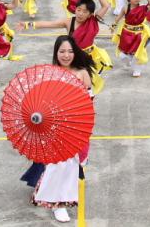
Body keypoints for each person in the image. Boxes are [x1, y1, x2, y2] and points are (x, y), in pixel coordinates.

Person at [21, 35, 94, 224]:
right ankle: (60, 204)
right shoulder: (49, 74)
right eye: (62, 51)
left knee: (72, 166)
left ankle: (55, 196)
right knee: (59, 167)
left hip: (76, 127)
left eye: (70, 51)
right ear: (56, 53)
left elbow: (89, 103)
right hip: (54, 128)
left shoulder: (82, 73)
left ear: (75, 52)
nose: (66, 55)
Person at [18, 0, 111, 94]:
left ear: (90, 14)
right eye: (78, 9)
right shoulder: (69, 22)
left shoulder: (93, 20)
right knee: (71, 86)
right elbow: (49, 24)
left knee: (89, 87)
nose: (80, 13)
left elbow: (105, 5)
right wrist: (27, 24)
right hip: (73, 58)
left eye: (84, 11)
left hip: (89, 57)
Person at [111, 0, 150, 77]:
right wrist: (113, 26)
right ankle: (129, 62)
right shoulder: (125, 8)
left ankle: (137, 70)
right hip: (126, 34)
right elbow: (117, 19)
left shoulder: (143, 8)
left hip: (138, 35)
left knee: (137, 54)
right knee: (123, 54)